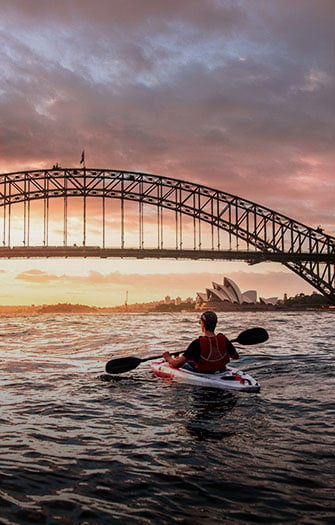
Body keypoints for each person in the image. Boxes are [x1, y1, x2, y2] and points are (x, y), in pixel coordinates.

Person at [162, 310, 239, 373]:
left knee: (176, 363)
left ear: (203, 324)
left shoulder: (197, 343)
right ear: (215, 324)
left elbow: (176, 364)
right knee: (188, 360)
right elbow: (235, 356)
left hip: (203, 373)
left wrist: (168, 357)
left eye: (200, 321)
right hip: (220, 371)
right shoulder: (224, 339)